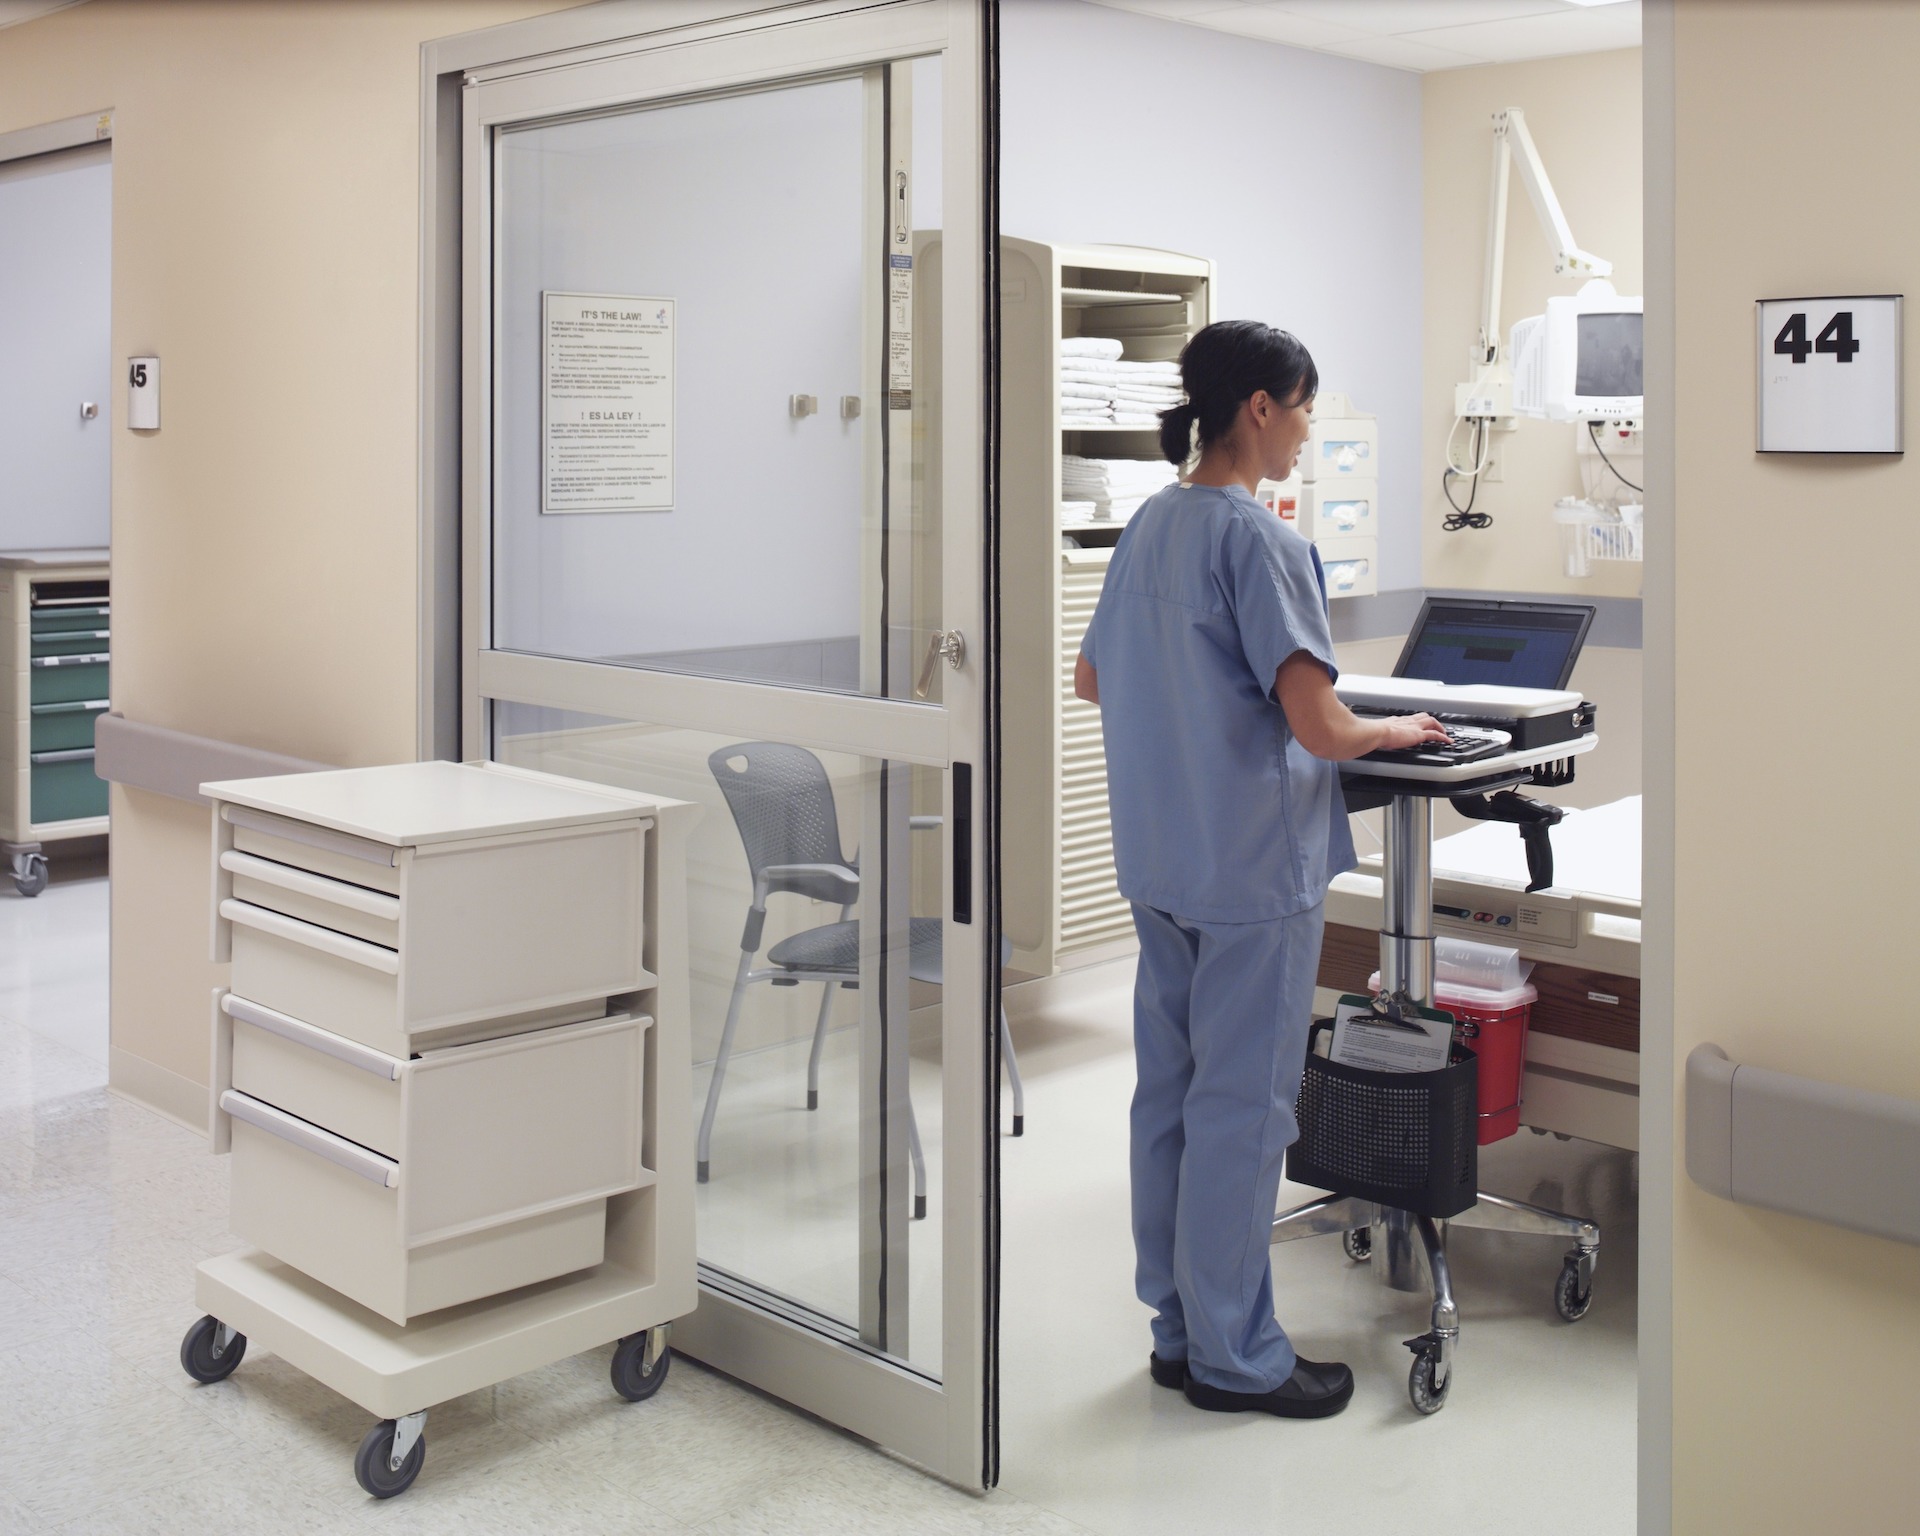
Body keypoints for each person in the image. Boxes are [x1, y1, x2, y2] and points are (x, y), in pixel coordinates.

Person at [1075, 320, 1445, 1419]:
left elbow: (1097, 680)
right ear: (1260, 409)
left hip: (1161, 860)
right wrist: (1400, 730)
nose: (1307, 434)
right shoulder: (1262, 543)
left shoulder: (1150, 523)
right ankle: (1240, 1359)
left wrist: (1193, 718)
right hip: (1251, 873)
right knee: (1244, 1113)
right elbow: (1323, 729)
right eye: (1305, 409)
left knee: (1173, 1101)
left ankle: (1183, 1333)